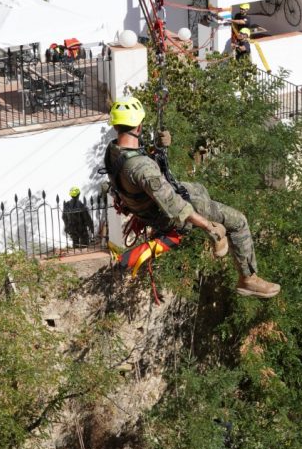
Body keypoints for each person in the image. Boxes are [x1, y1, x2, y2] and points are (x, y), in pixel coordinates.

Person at [103, 97, 281, 299]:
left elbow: (136, 164)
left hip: (153, 207)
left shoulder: (113, 151)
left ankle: (216, 223)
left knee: (200, 190)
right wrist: (208, 227)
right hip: (167, 216)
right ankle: (248, 279)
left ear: (117, 126)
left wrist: (158, 148)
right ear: (139, 126)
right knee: (238, 221)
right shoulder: (143, 169)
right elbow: (175, 206)